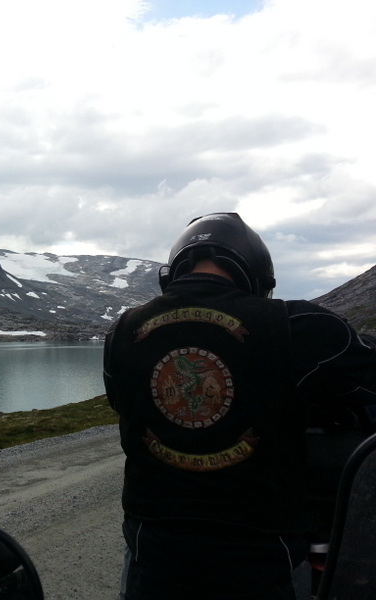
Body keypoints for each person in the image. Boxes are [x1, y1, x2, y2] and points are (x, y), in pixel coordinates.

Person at [102, 212, 376, 600]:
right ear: (258, 276)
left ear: (174, 270)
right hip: (262, 560)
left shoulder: (121, 331)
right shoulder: (298, 324)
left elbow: (122, 403)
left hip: (153, 552)